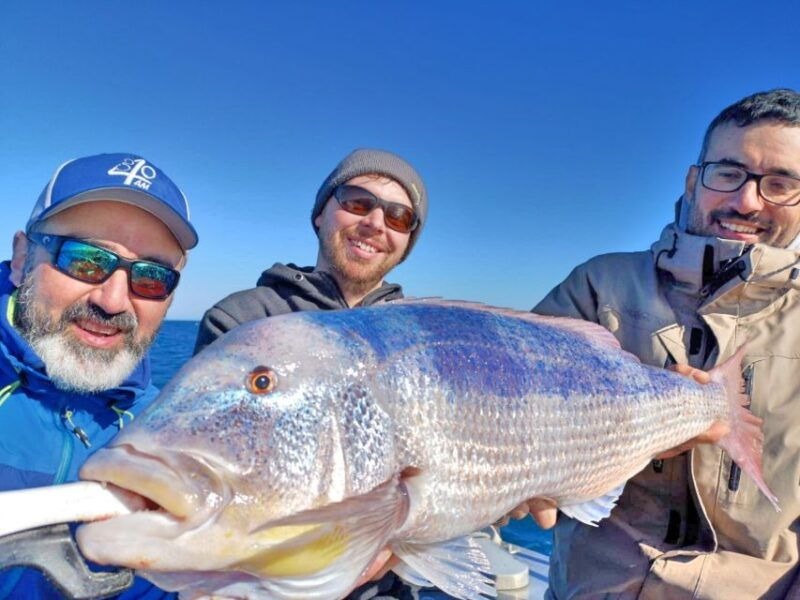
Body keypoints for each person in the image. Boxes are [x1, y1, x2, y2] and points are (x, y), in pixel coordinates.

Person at [530, 88, 800, 598]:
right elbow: (521, 402)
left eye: (780, 184)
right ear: (694, 181)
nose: (746, 201)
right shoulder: (599, 285)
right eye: (729, 173)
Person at [0, 153, 198, 598]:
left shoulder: (168, 431)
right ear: (20, 258)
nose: (112, 301)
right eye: (86, 260)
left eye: (150, 278)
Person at [193, 148, 428, 354]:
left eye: (399, 217)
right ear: (320, 215)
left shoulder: (424, 333)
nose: (375, 223)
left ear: (407, 242)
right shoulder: (241, 319)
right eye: (357, 201)